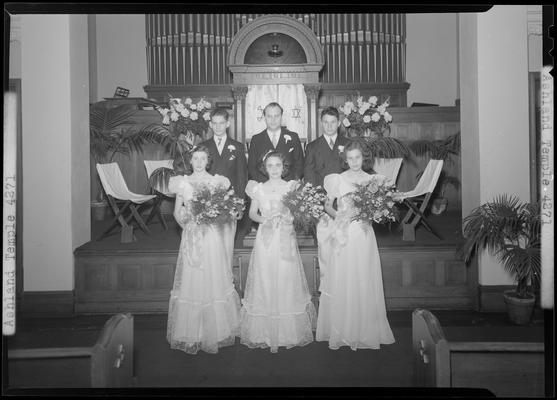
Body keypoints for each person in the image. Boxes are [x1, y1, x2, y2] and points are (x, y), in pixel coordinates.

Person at [316, 140, 395, 350]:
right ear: (345, 159)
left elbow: (378, 210)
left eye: (357, 157)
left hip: (363, 233)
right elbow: (327, 206)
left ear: (364, 158)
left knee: (363, 275)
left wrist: (369, 214)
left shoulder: (373, 180)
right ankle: (344, 328)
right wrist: (341, 216)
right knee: (345, 275)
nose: (354, 162)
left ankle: (365, 328)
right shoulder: (338, 180)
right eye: (350, 158)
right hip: (344, 234)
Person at [166, 145, 242, 354]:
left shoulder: (217, 181)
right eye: (195, 158)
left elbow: (225, 210)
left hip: (211, 237)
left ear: (207, 161)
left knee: (213, 277)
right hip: (192, 237)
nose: (198, 162)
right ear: (190, 161)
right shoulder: (183, 183)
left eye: (202, 159)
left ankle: (217, 329)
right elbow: (176, 212)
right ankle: (192, 331)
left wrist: (210, 222)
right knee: (193, 278)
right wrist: (188, 228)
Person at [240, 151, 317, 353]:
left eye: (277, 165)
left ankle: (287, 332)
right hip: (265, 238)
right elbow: (252, 214)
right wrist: (265, 219)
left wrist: (287, 218)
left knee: (285, 277)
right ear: (265, 168)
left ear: (284, 167)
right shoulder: (258, 188)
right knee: (265, 277)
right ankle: (263, 331)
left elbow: (298, 213)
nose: (274, 169)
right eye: (270, 166)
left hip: (285, 236)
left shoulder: (291, 187)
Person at [200, 107, 250, 247]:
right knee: (210, 241)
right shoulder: (203, 146)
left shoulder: (238, 147)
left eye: (221, 123)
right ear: (210, 124)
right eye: (214, 123)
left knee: (227, 240)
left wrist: (240, 204)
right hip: (208, 200)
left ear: (228, 124)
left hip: (231, 200)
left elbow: (241, 176)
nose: (218, 126)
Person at [247, 102, 304, 183]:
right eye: (269, 116)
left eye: (276, 116)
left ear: (281, 117)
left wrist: (292, 183)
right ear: (264, 117)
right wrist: (262, 186)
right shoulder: (256, 139)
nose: (273, 120)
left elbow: (299, 164)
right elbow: (252, 167)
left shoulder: (293, 137)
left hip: (288, 189)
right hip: (263, 188)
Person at [303, 106, 349, 188]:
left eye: (333, 122)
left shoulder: (348, 144)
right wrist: (315, 196)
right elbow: (309, 175)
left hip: (343, 192)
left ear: (338, 123)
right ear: (321, 123)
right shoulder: (311, 147)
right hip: (321, 194)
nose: (329, 126)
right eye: (326, 122)